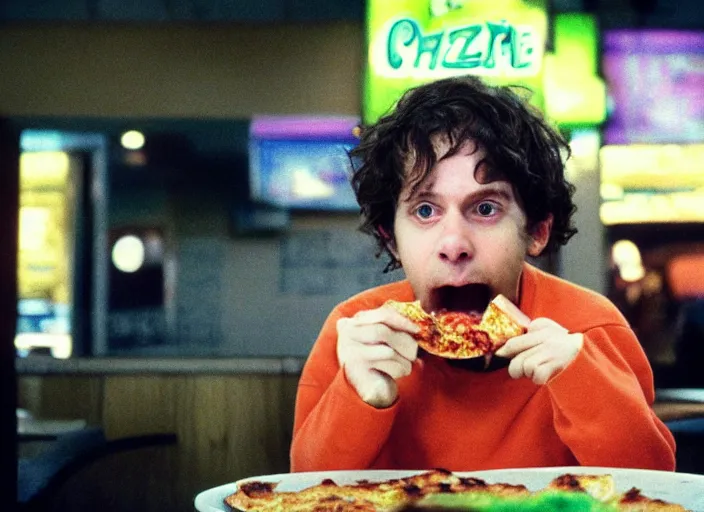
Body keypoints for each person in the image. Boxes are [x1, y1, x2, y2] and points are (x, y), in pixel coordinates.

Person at [289, 76, 676, 472]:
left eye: (485, 208)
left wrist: (582, 382)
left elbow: (655, 486)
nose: (454, 243)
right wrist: (359, 398)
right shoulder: (353, 336)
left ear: (537, 231)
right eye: (425, 210)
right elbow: (302, 492)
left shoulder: (593, 329)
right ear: (392, 240)